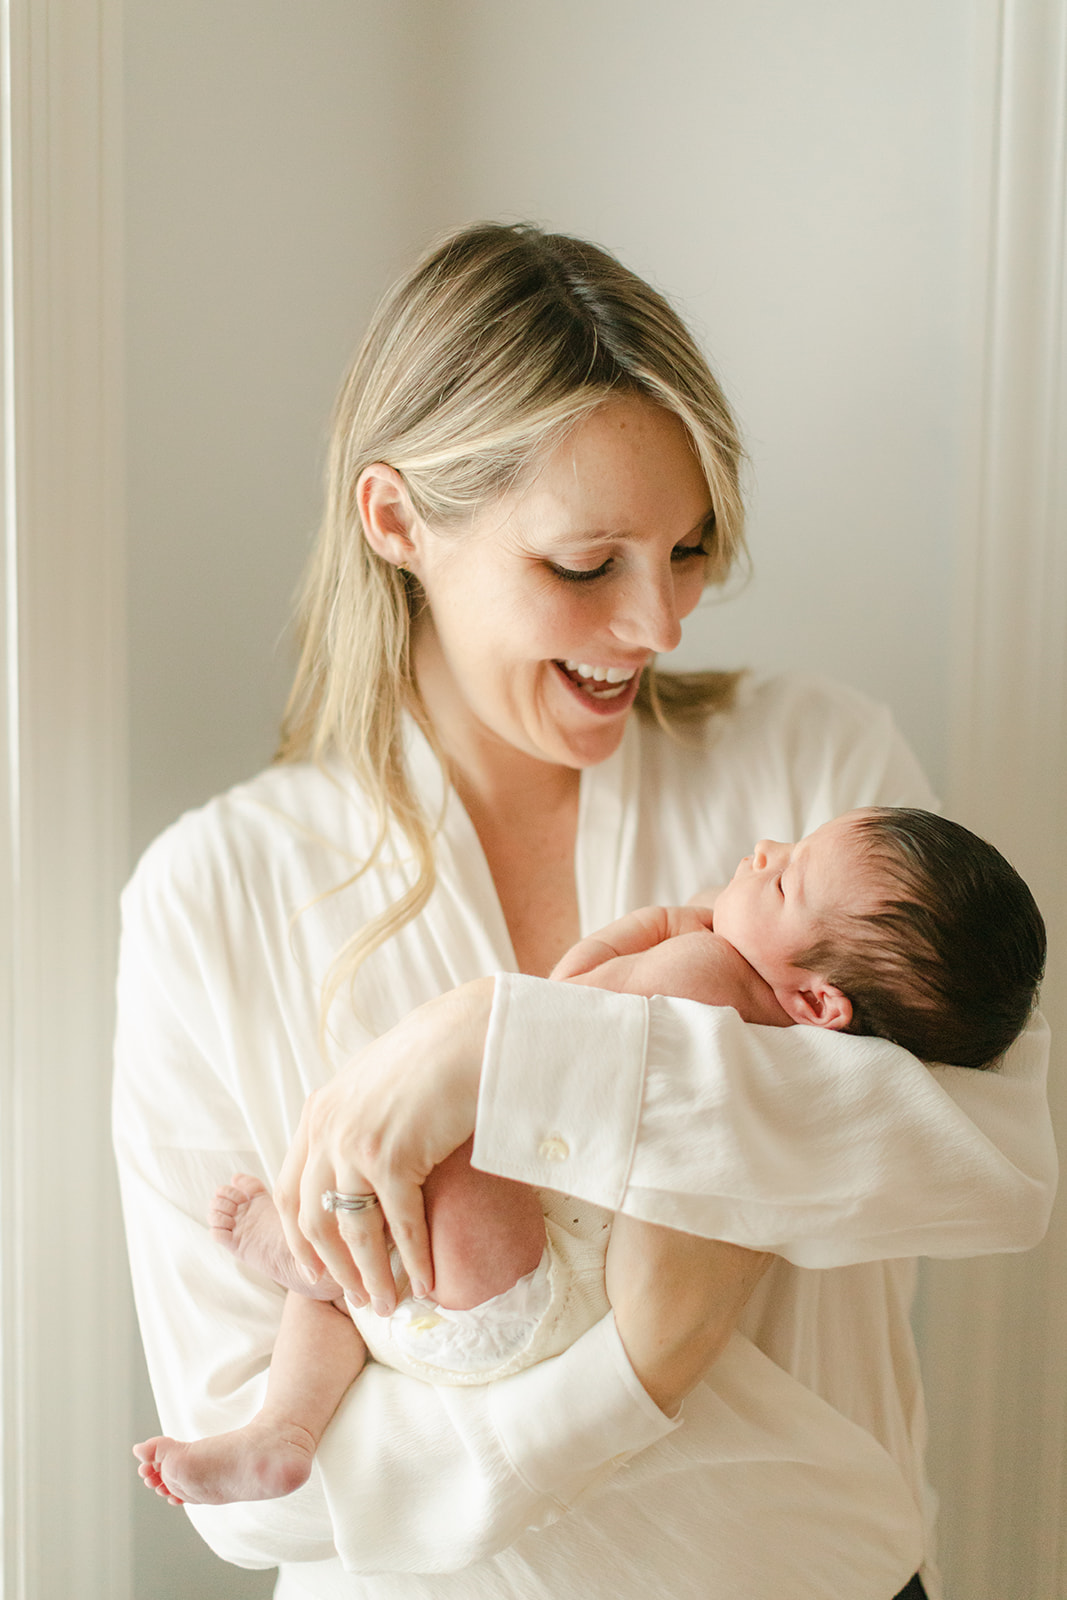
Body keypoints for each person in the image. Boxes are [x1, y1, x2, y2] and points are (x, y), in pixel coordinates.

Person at [113, 222, 1056, 1600]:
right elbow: (258, 1496)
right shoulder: (214, 896)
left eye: (688, 549)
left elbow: (984, 1170)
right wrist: (633, 1372)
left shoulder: (817, 782)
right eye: (583, 565)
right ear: (396, 523)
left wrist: (501, 1050)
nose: (659, 624)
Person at [132, 804, 1046, 1511]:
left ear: (816, 1006)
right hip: (522, 1306)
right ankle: (282, 1430)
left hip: (514, 1280)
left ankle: (299, 1335)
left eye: (782, 881)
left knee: (440, 1159)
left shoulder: (703, 978)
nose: (764, 849)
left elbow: (551, 1019)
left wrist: (645, 941)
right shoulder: (801, 1057)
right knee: (395, 1217)